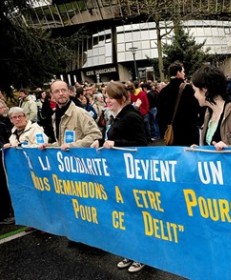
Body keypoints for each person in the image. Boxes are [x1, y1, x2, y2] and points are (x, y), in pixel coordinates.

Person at [90, 82, 147, 273]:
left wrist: (116, 143)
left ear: (121, 99)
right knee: (126, 214)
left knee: (135, 214)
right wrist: (100, 141)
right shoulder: (119, 115)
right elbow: (111, 136)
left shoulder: (131, 115)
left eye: (110, 98)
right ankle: (131, 252)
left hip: (131, 173)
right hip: (119, 173)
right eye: (105, 98)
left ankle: (143, 255)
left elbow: (142, 144)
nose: (106, 101)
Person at [40, 80, 102, 151]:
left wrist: (73, 146)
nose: (61, 93)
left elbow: (95, 135)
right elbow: (62, 144)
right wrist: (49, 146)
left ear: (69, 92)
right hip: (66, 160)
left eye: (63, 90)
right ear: (52, 95)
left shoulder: (80, 113)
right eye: (57, 91)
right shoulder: (55, 116)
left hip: (80, 159)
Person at [157, 61, 201, 146]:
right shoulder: (188, 89)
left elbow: (160, 115)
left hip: (171, 134)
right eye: (183, 71)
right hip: (188, 133)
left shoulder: (163, 91)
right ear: (178, 73)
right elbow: (196, 110)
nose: (184, 73)